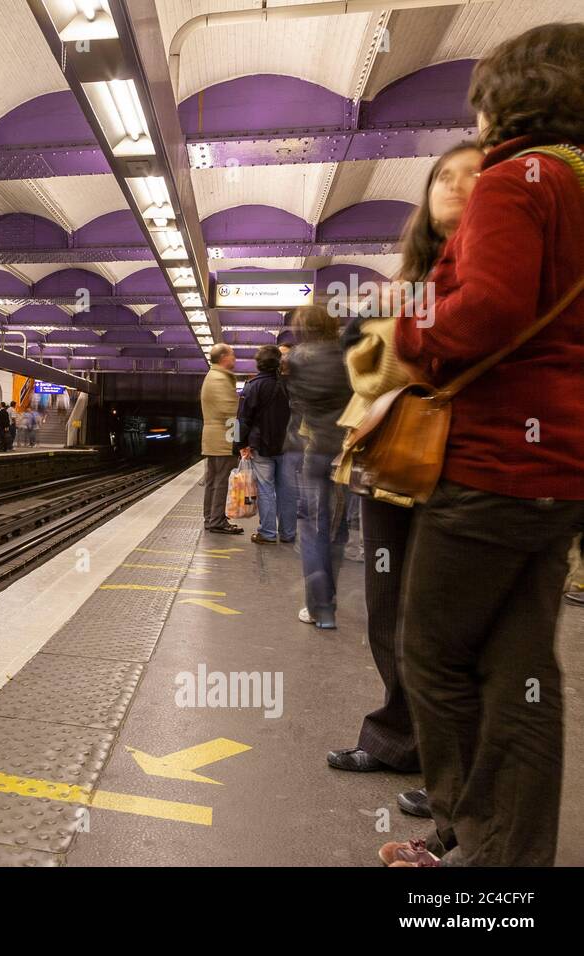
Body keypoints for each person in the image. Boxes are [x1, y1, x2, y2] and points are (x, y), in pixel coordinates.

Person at [384, 22, 584, 868]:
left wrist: (410, 326)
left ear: (513, 95)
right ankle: (508, 863)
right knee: (521, 670)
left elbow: (491, 309)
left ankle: (472, 843)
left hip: (497, 460)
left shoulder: (516, 181)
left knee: (430, 653)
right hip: (562, 467)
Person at [326, 143, 483, 800]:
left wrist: (398, 318)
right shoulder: (418, 273)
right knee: (389, 611)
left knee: (441, 626)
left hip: (458, 464)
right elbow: (366, 366)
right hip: (393, 458)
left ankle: (451, 772)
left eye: (473, 175)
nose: (455, 185)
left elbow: (392, 365)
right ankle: (398, 738)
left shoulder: (490, 266)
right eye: (443, 176)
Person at [285, 306, 352, 629]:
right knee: (337, 530)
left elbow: (297, 405)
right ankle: (330, 603)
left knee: (313, 528)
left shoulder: (297, 358)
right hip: (346, 451)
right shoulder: (346, 352)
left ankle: (319, 609)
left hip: (313, 451)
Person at [234, 346, 293, 544]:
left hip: (261, 446)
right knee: (286, 491)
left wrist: (238, 444)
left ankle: (267, 533)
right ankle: (288, 533)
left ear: (258, 364)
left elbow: (242, 419)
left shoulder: (252, 386)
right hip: (287, 445)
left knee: (266, 490)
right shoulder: (289, 385)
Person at [200, 343, 241, 535]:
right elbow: (230, 412)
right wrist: (240, 440)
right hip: (223, 439)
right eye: (233, 355)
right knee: (221, 481)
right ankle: (216, 520)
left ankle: (211, 517)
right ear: (224, 357)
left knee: (213, 480)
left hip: (214, 437)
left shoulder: (213, 376)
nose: (235, 359)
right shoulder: (220, 379)